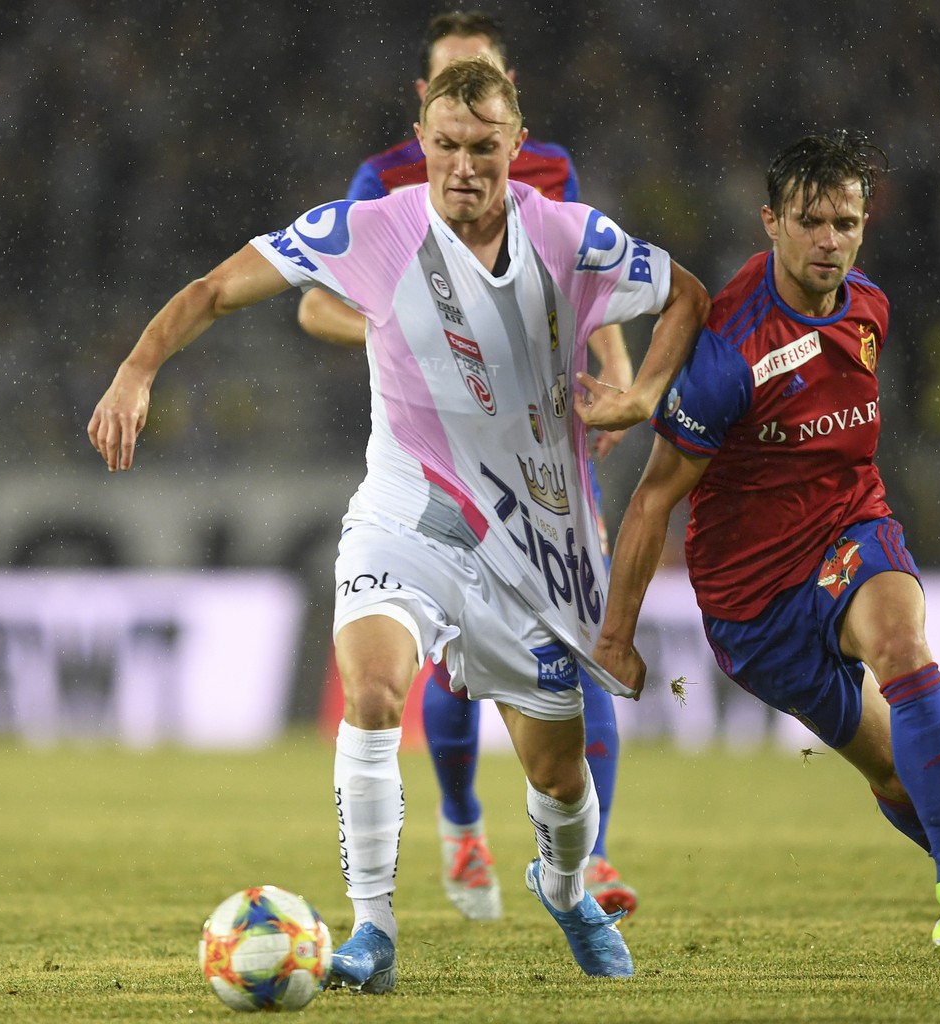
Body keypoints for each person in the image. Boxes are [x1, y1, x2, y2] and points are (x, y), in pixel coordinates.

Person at [88, 57, 709, 989]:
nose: (465, 166)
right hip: (407, 513)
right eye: (448, 146)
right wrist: (138, 368)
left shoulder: (569, 237)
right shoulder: (369, 230)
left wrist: (641, 394)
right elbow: (218, 289)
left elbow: (689, 295)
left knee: (559, 778)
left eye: (485, 149)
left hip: (536, 546)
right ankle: (370, 931)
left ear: (516, 145)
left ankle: (566, 886)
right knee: (373, 694)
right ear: (421, 141)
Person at [590, 131, 940, 976]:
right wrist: (615, 636)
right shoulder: (726, 357)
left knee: (903, 647)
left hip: (850, 526)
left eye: (846, 222)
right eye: (811, 222)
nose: (830, 241)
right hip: (753, 601)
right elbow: (654, 499)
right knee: (896, 773)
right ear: (771, 223)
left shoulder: (871, 309)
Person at [298, 10, 639, 923]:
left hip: (542, 444)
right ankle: (459, 822)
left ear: (509, 94)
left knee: (582, 633)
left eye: (482, 81)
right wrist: (402, 318)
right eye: (451, 82)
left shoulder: (547, 172)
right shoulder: (387, 185)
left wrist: (617, 371)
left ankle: (590, 864)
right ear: (422, 99)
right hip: (441, 455)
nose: (466, 112)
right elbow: (314, 309)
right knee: (451, 651)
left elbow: (585, 278)